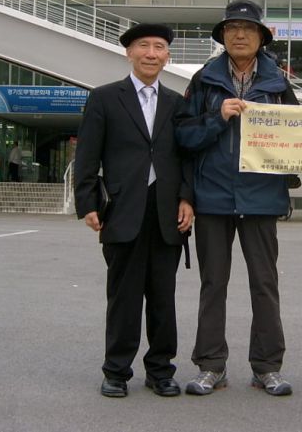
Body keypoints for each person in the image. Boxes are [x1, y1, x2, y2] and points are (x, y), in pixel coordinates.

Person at [175, 0, 299, 397]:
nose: (239, 35)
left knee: (265, 283)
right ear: (223, 37)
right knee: (213, 283)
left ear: (262, 37)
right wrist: (218, 117)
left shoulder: (279, 84)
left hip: (262, 198)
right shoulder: (204, 80)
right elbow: (183, 137)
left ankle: (267, 367)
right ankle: (211, 365)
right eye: (232, 29)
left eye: (248, 29)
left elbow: (300, 137)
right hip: (212, 197)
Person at [74, 22, 194, 399]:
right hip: (122, 211)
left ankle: (160, 371)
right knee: (123, 297)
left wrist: (188, 198)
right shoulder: (105, 98)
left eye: (159, 47)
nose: (151, 54)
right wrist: (88, 203)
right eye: (143, 46)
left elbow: (188, 156)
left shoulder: (178, 103)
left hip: (166, 212)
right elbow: (87, 155)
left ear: (167, 56)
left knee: (163, 297)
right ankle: (116, 371)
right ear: (129, 53)